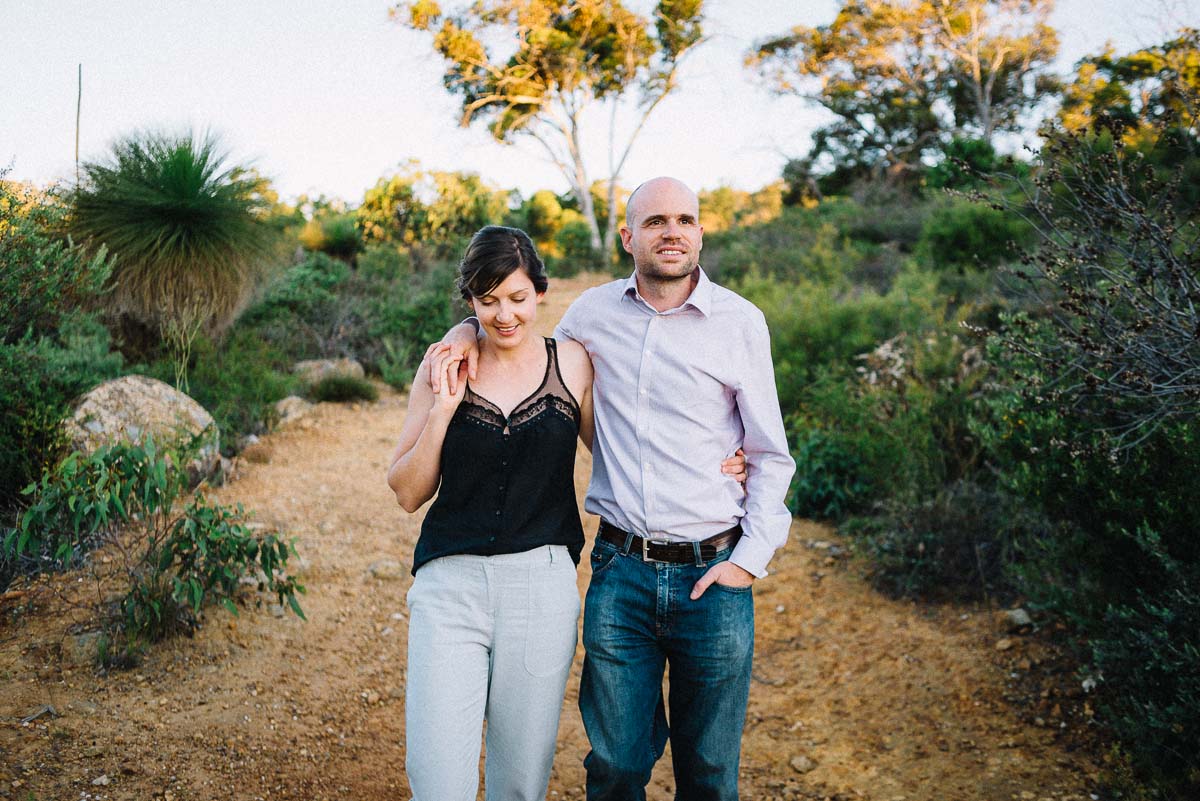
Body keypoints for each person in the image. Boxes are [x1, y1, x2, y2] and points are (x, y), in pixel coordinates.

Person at [429, 178, 796, 800]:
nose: (671, 232)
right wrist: (465, 331)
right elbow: (516, 334)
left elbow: (769, 455)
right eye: (655, 221)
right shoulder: (592, 315)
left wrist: (749, 561)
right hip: (620, 570)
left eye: (684, 219)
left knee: (709, 771)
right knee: (617, 765)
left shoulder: (740, 323)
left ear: (701, 232)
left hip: (715, 574)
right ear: (629, 237)